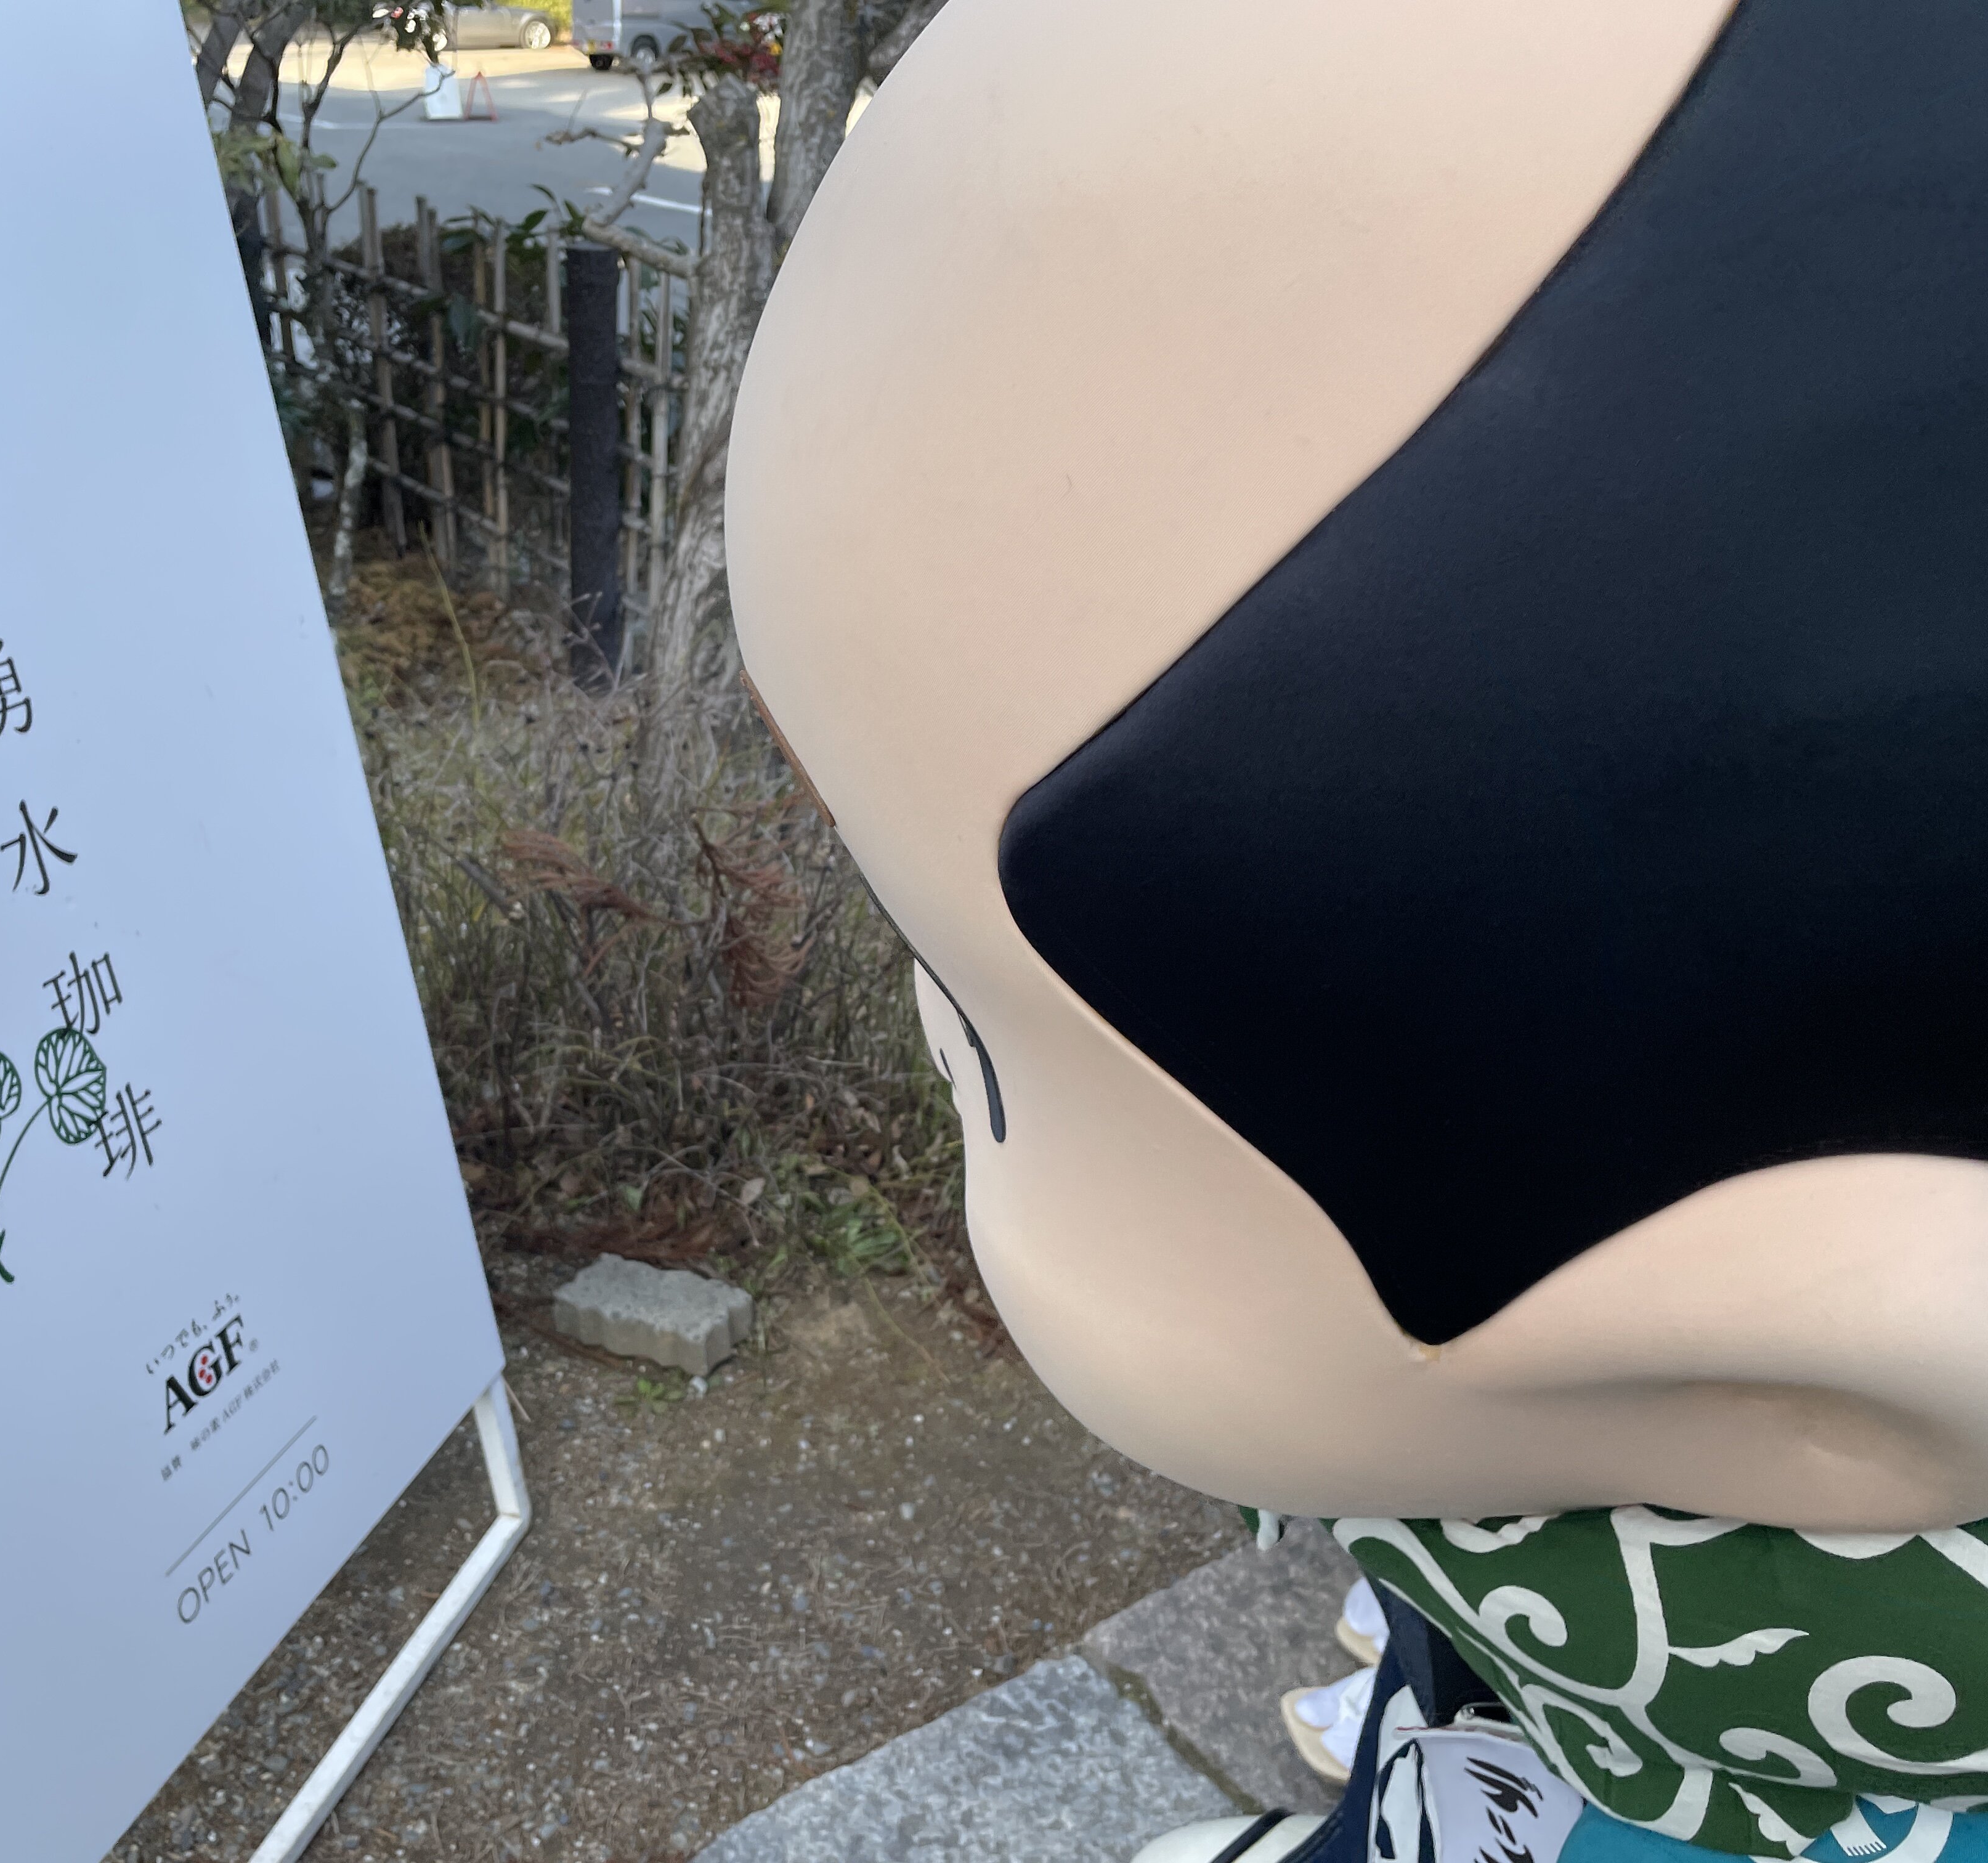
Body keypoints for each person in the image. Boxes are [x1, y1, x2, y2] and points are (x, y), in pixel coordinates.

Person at [726, 6, 1988, 1863]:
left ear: (1791, 1388)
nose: (928, 1035)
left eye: (988, 1040)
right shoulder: (1630, 1495)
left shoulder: (1779, 1666)